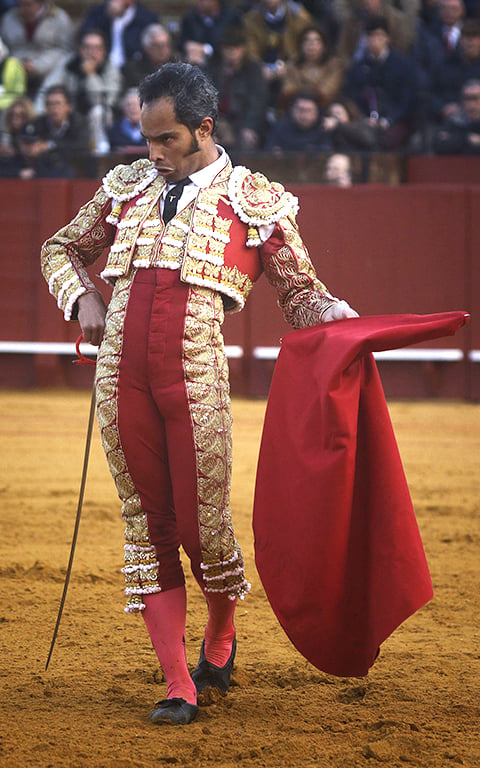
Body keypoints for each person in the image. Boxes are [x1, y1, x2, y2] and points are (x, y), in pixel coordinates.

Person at [40, 61, 357, 727]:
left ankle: (220, 635)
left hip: (196, 377)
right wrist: (84, 298)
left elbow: (299, 293)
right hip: (120, 377)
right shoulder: (126, 187)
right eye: (146, 139)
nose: (153, 154)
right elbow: (60, 249)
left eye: (167, 141)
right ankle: (179, 681)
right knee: (147, 526)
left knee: (203, 530)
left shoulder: (254, 199)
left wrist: (335, 315)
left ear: (203, 129)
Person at [36, 30, 122, 154]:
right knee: (57, 105)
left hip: (101, 119)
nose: (91, 53)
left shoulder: (110, 69)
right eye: (87, 47)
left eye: (96, 48)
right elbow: (48, 86)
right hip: (72, 113)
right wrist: (39, 110)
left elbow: (104, 101)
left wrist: (90, 75)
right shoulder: (69, 64)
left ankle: (99, 151)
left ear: (103, 51)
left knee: (97, 112)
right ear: (80, 50)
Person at [344, 16, 418, 149]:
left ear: (387, 38)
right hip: (366, 121)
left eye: (379, 35)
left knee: (385, 141)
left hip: (396, 121)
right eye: (370, 36)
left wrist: (389, 120)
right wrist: (363, 117)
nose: (374, 40)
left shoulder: (403, 65)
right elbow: (353, 95)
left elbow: (407, 99)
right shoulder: (359, 67)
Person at [207, 25, 267, 153]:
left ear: (243, 49)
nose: (232, 52)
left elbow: (257, 102)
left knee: (247, 141)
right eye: (228, 48)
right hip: (217, 121)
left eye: (236, 48)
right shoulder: (213, 69)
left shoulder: (253, 70)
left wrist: (249, 127)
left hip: (242, 121)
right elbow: (205, 100)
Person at [0, 0, 74, 98]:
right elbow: (5, 47)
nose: (23, 9)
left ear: (41, 4)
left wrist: (38, 66)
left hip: (48, 70)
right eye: (20, 5)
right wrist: (18, 63)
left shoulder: (59, 18)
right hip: (16, 69)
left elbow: (65, 50)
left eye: (28, 5)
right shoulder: (9, 18)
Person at [14, 84, 89, 178]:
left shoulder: (79, 123)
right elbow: (23, 142)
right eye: (49, 104)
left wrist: (50, 145)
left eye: (57, 103)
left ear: (68, 107)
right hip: (44, 172)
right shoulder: (38, 124)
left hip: (74, 171)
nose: (53, 108)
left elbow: (82, 145)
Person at [279, 24, 344, 109]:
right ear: (301, 45)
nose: (312, 45)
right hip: (297, 108)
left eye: (317, 41)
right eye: (307, 41)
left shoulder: (334, 65)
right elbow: (288, 90)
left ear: (324, 46)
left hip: (325, 108)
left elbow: (328, 91)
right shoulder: (293, 65)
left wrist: (304, 91)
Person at [78, 0, 158, 69]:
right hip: (101, 68)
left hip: (133, 70)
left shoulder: (147, 17)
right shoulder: (98, 12)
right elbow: (83, 37)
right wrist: (107, 15)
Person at [264, 90, 334, 152]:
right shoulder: (279, 128)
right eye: (300, 110)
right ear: (292, 110)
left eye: (308, 110)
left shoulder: (324, 128)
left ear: (316, 112)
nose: (304, 115)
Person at [121, 23, 177, 91]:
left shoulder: (178, 64)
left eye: (167, 45)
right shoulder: (132, 69)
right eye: (158, 46)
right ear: (146, 47)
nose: (163, 50)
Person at [433, 77, 480, 151]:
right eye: (466, 98)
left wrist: (454, 139)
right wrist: (468, 139)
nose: (471, 103)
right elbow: (439, 144)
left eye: (474, 98)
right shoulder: (454, 121)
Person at [108, 86, 147, 153]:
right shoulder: (115, 128)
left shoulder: (152, 127)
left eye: (135, 105)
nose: (132, 108)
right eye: (129, 105)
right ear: (123, 108)